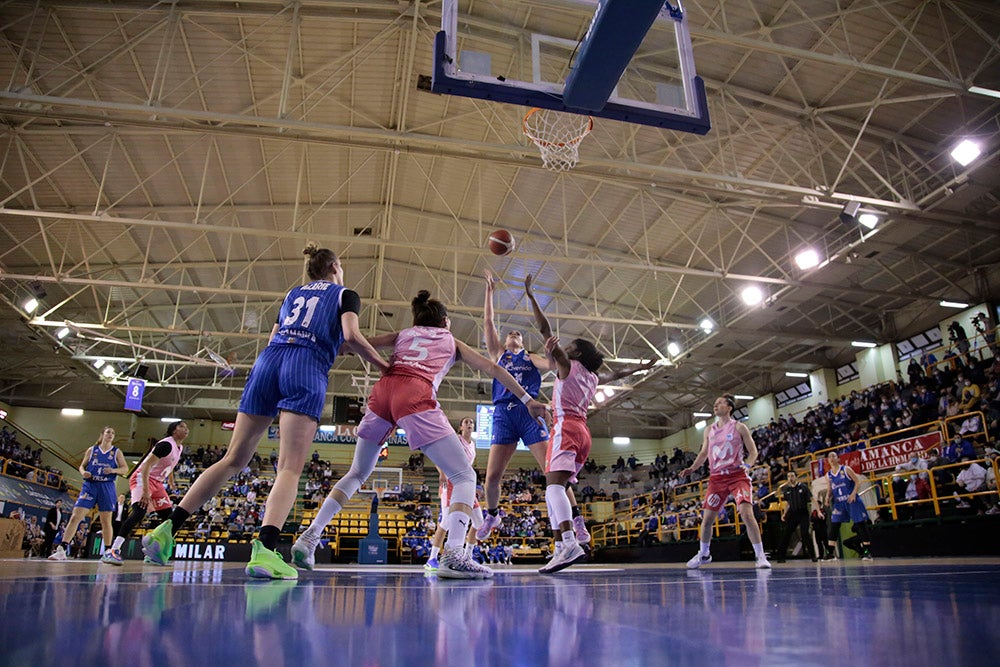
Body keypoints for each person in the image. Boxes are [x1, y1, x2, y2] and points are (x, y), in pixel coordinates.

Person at [142, 244, 390, 579]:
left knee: (232, 459)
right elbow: (351, 335)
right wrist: (383, 365)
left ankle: (166, 530)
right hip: (305, 366)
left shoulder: (293, 293)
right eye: (341, 264)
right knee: (289, 467)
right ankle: (266, 550)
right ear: (333, 266)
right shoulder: (346, 293)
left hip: (269, 361)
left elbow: (278, 336)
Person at [291, 290, 546, 579]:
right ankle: (453, 555)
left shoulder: (405, 333)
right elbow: (494, 369)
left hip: (383, 392)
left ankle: (310, 537)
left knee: (357, 472)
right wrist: (529, 400)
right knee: (464, 477)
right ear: (446, 322)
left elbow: (351, 344)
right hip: (415, 394)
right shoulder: (451, 340)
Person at [522, 278, 652, 574]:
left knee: (554, 488)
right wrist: (639, 367)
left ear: (576, 353)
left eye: (570, 346)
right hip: (583, 434)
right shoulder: (593, 377)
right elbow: (616, 374)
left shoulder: (567, 365)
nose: (564, 347)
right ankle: (561, 546)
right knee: (554, 489)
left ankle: (570, 541)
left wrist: (531, 297)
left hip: (566, 428)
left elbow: (545, 330)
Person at [477, 271, 581, 542]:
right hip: (502, 414)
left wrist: (550, 352)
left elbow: (552, 366)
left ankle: (577, 518)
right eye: (510, 332)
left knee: (553, 472)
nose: (513, 334)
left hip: (529, 413)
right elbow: (488, 321)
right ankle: (492, 514)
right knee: (491, 478)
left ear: (522, 342)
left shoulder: (531, 357)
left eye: (518, 334)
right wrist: (489, 291)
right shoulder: (498, 354)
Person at [681, 395, 771, 569]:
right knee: (707, 520)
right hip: (717, 478)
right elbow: (703, 454)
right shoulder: (709, 430)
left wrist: (748, 465)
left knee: (746, 513)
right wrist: (692, 468)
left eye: (720, 402)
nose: (716, 404)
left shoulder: (739, 427)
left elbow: (753, 452)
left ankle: (760, 556)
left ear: (729, 407)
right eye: (715, 402)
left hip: (737, 476)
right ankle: (704, 554)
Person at [103, 421, 190, 565]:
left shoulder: (179, 447)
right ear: (174, 430)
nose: (186, 430)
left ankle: (154, 554)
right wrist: (145, 490)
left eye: (187, 428)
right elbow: (147, 466)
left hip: (157, 483)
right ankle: (113, 550)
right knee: (139, 512)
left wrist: (171, 480)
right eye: (182, 427)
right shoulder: (165, 445)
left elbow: (170, 464)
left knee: (170, 520)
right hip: (143, 478)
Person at [49, 426, 128, 561]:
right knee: (75, 517)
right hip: (90, 485)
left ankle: (108, 552)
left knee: (106, 521)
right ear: (102, 434)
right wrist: (83, 473)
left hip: (107, 486)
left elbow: (125, 468)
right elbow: (81, 466)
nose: (111, 435)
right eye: (108, 432)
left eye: (113, 433)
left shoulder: (116, 452)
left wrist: (114, 471)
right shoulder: (92, 450)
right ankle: (61, 549)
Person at [426, 416, 482, 573]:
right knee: (445, 522)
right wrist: (442, 474)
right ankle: (432, 558)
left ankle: (467, 556)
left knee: (479, 521)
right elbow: (438, 456)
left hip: (467, 485)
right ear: (461, 427)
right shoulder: (456, 440)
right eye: (466, 422)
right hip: (451, 481)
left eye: (472, 422)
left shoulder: (473, 445)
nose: (470, 424)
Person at [825, 450, 874, 560]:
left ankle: (867, 552)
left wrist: (853, 494)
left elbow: (857, 482)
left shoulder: (846, 469)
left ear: (838, 458)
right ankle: (830, 553)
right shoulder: (828, 475)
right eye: (829, 457)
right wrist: (827, 498)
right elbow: (830, 489)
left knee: (860, 524)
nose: (831, 458)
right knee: (834, 526)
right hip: (839, 503)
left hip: (851, 500)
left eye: (833, 456)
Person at [775, 471, 816, 562]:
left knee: (805, 533)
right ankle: (781, 557)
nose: (791, 478)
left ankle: (813, 556)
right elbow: (788, 504)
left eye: (792, 476)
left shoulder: (803, 487)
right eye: (789, 476)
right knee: (786, 534)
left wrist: (818, 511)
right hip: (793, 513)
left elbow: (812, 499)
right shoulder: (787, 490)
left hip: (803, 512)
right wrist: (784, 514)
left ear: (796, 477)